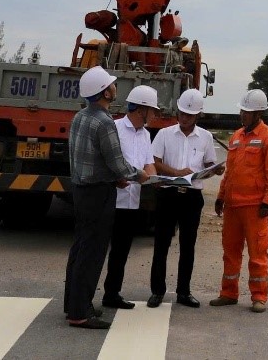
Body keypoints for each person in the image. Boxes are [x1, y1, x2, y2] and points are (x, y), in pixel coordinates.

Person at [63, 67, 152, 330]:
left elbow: (90, 158)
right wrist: (140, 176)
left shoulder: (80, 117)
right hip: (98, 194)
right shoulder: (104, 121)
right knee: (92, 253)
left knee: (80, 248)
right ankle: (80, 313)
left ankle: (74, 303)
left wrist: (115, 176)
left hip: (81, 190)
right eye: (112, 85)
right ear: (105, 92)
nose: (115, 87)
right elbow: (117, 163)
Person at [211, 89, 268, 314]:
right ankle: (228, 293)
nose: (243, 114)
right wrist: (221, 196)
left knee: (257, 253)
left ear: (258, 113)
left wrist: (267, 202)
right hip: (233, 206)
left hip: (254, 207)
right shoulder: (236, 137)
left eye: (247, 111)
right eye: (242, 110)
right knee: (230, 252)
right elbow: (230, 172)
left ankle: (259, 296)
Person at [148, 88, 222, 308]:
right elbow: (155, 161)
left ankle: (184, 292)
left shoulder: (206, 137)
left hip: (192, 197)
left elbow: (209, 164)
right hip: (168, 194)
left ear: (198, 115)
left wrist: (215, 170)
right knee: (161, 244)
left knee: (188, 245)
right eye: (181, 113)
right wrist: (176, 173)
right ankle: (157, 291)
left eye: (189, 115)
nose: (184, 117)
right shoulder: (164, 134)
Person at [100, 85, 159, 312]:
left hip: (131, 202)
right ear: (141, 110)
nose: (153, 115)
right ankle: (84, 295)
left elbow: (149, 163)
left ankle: (111, 293)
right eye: (151, 110)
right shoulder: (113, 128)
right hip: (109, 200)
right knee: (98, 250)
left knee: (121, 251)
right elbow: (104, 161)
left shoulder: (145, 135)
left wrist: (153, 178)